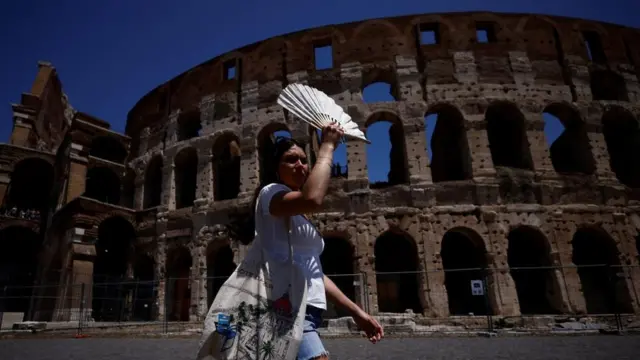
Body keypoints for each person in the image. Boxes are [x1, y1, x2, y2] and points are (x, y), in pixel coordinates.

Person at [243, 123, 384, 360]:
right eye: (291, 159)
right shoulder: (270, 194)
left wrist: (357, 313)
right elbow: (312, 197)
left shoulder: (298, 215)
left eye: (303, 160)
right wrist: (328, 146)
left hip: (309, 311)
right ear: (276, 168)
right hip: (287, 309)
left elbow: (315, 272)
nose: (300, 164)